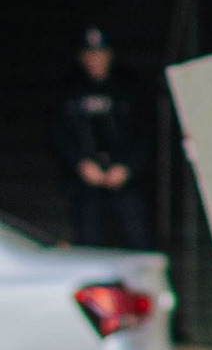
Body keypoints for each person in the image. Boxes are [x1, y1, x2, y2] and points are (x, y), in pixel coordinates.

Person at [54, 28, 147, 250]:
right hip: (86, 179)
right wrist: (80, 162)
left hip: (123, 176)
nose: (94, 60)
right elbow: (57, 133)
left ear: (110, 54)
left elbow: (145, 133)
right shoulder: (69, 88)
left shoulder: (128, 87)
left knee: (137, 238)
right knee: (88, 242)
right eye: (89, 54)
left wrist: (128, 166)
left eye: (100, 53)